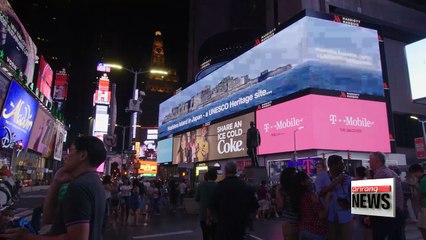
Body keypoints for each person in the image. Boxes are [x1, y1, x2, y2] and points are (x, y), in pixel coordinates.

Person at [0, 136, 107, 240]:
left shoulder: (79, 187)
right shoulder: (95, 184)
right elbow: (48, 218)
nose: (66, 156)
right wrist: (56, 182)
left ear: (83, 155)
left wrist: (28, 237)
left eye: (71, 151)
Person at [211, 161, 259, 240]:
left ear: (226, 171)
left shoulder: (219, 187)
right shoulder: (245, 186)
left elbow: (212, 206)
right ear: (236, 170)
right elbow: (255, 206)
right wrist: (250, 221)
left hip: (223, 226)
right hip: (240, 225)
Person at [367, 152, 405, 240]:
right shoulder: (390, 172)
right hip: (395, 213)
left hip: (386, 216)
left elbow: (379, 198)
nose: (369, 162)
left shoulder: (381, 174)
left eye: (370, 160)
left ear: (377, 161)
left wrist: (370, 215)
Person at [317, 155, 352, 240]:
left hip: (345, 215)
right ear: (332, 166)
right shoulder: (322, 177)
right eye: (341, 164)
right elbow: (320, 193)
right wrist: (336, 182)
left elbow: (352, 194)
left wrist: (349, 203)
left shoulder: (347, 178)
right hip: (329, 216)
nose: (343, 166)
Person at [291, 172, 330, 240]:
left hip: (303, 231)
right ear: (303, 183)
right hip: (315, 232)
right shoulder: (311, 196)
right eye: (308, 179)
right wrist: (327, 200)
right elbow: (322, 215)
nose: (311, 180)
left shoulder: (297, 197)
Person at [276, 167, 299, 240]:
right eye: (295, 174)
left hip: (288, 221)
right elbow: (281, 205)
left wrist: (277, 191)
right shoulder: (290, 190)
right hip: (292, 222)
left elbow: (280, 206)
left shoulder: (284, 190)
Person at [195, 169, 218, 240]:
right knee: (214, 235)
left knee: (205, 235)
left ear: (207, 176)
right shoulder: (218, 186)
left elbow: (197, 198)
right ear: (216, 177)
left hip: (203, 215)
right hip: (215, 216)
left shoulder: (201, 185)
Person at [408, 163, 426, 239]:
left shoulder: (423, 180)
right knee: (421, 226)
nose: (413, 175)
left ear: (417, 171)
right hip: (423, 206)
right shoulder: (422, 180)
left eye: (413, 173)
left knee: (423, 227)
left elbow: (421, 194)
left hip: (424, 206)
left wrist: (415, 186)